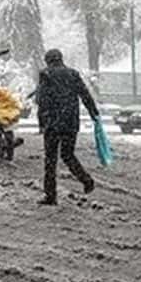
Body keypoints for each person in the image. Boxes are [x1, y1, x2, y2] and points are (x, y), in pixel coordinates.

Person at [35, 48, 98, 205]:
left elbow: (41, 101)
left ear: (48, 60)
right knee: (68, 154)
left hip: (53, 123)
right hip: (70, 122)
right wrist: (94, 113)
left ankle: (51, 196)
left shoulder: (46, 74)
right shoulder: (73, 74)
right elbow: (85, 94)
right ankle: (86, 180)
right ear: (61, 59)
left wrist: (42, 123)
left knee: (50, 159)